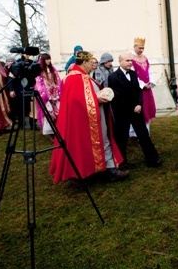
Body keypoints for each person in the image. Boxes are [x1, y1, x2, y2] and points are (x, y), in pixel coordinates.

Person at [49, 50, 128, 182]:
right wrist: (97, 100)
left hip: (88, 116)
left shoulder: (77, 76)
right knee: (100, 140)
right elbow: (76, 101)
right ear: (84, 62)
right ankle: (109, 171)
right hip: (89, 118)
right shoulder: (77, 78)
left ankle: (104, 169)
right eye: (90, 62)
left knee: (96, 142)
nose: (92, 65)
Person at [108, 52, 162, 168]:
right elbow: (117, 96)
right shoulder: (113, 77)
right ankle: (122, 163)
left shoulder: (133, 74)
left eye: (131, 61)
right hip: (122, 112)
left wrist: (139, 104)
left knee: (143, 135)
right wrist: (131, 107)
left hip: (136, 111)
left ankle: (152, 159)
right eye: (127, 60)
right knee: (122, 138)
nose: (130, 63)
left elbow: (138, 91)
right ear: (120, 61)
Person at [131, 37, 157, 128]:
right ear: (134, 46)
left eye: (143, 48)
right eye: (139, 48)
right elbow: (132, 74)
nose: (141, 50)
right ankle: (135, 131)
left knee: (147, 108)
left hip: (147, 88)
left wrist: (151, 82)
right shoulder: (130, 58)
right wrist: (142, 84)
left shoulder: (145, 58)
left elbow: (149, 70)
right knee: (139, 109)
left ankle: (146, 128)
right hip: (137, 88)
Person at [35, 53, 63, 134]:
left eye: (49, 59)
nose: (48, 61)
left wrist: (58, 90)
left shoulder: (53, 69)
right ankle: (50, 131)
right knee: (49, 112)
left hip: (55, 94)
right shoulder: (39, 71)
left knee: (57, 111)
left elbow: (58, 80)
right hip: (46, 94)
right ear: (43, 60)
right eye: (46, 59)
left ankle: (58, 129)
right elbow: (38, 83)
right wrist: (43, 93)